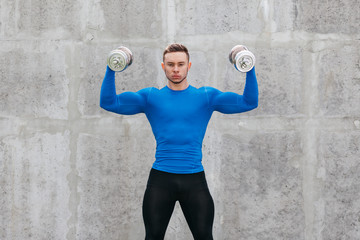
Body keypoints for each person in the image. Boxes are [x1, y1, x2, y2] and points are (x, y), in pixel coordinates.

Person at [100, 43, 258, 240]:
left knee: (204, 237)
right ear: (163, 66)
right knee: (153, 237)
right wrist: (111, 67)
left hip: (194, 180)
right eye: (171, 64)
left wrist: (249, 68)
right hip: (160, 180)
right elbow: (108, 102)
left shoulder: (205, 97)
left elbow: (249, 102)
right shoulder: (151, 97)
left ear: (189, 66)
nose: (176, 69)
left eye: (181, 64)